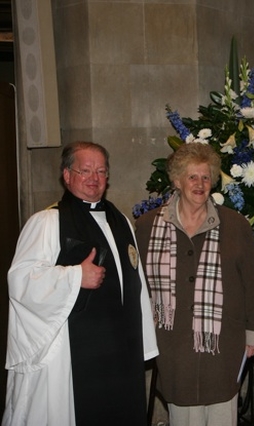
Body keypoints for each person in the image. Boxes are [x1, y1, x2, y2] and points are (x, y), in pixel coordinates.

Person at [3, 141, 158, 426]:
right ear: (66, 175)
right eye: (85, 170)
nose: (94, 178)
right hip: (77, 355)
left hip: (122, 353)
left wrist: (144, 341)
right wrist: (74, 276)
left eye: (101, 171)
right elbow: (21, 280)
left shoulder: (121, 220)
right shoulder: (48, 221)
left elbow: (138, 285)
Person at [135, 142, 254, 426]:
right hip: (173, 344)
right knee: (183, 415)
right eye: (192, 177)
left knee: (223, 412)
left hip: (224, 341)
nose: (200, 184)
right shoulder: (147, 226)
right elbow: (139, 286)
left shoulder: (235, 225)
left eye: (206, 177)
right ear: (177, 180)